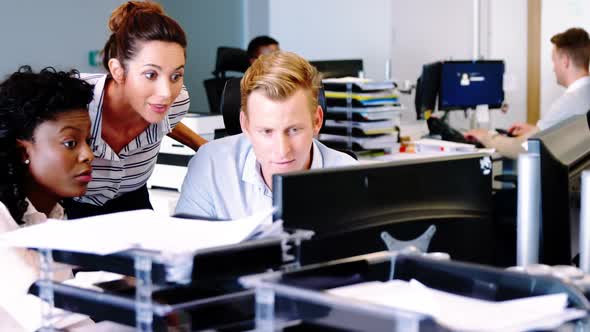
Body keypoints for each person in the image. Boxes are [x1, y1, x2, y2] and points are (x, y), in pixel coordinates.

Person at [175, 51, 358, 220]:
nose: (282, 150)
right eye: (267, 131)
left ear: (317, 121)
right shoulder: (211, 166)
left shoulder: (350, 178)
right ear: (245, 124)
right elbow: (184, 251)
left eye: (294, 130)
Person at [65, 1, 207, 218]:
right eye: (151, 74)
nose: (166, 92)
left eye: (176, 75)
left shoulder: (177, 101)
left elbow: (166, 120)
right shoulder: (71, 97)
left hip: (134, 204)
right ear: (118, 71)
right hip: (70, 209)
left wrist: (204, 147)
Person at [0, 66, 95, 331]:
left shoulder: (51, 214)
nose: (88, 155)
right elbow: (49, 318)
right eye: (70, 143)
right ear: (23, 151)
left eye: (88, 141)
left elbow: (70, 315)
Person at [465, 27, 590, 159]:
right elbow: (570, 133)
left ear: (565, 60)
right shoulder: (583, 96)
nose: (553, 68)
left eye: (554, 61)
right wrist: (536, 130)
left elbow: (521, 148)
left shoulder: (568, 103)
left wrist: (486, 136)